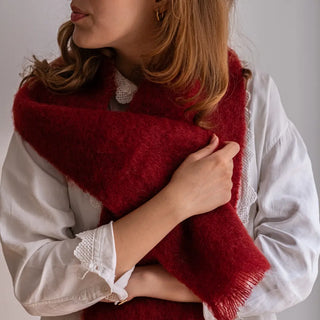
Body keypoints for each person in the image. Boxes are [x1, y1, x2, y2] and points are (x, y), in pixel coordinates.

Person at [0, 1, 319, 320]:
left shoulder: (251, 101)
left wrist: (145, 281)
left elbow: (295, 265)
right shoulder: (51, 110)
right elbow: (36, 283)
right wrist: (176, 203)